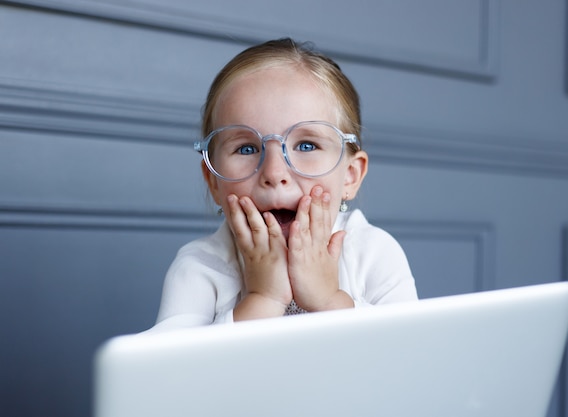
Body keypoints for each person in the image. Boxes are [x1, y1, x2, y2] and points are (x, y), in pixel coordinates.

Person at [149, 38, 417, 331]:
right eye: (247, 149)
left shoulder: (373, 252)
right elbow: (175, 373)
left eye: (306, 145)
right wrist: (263, 299)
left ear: (350, 176)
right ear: (214, 181)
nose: (275, 173)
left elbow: (412, 358)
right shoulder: (200, 267)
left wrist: (328, 300)